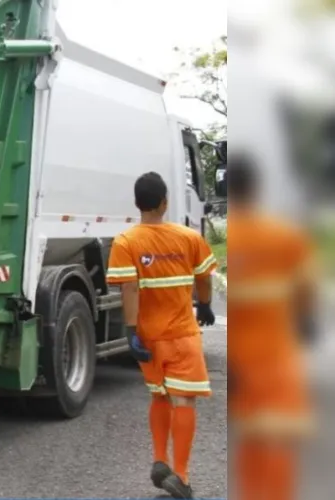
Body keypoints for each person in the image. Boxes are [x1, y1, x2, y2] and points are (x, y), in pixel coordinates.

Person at [106, 172, 217, 500]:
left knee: (159, 396)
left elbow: (128, 287)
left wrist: (130, 331)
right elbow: (205, 277)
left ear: (137, 203)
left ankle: (159, 460)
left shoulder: (126, 241)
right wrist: (206, 306)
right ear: (165, 202)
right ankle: (180, 476)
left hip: (149, 337)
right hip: (182, 334)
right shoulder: (188, 237)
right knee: (184, 399)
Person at [226, 155, 316, 500]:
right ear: (257, 187)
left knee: (249, 444)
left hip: (239, 361)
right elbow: (306, 291)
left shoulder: (231, 239)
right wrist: (304, 324)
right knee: (279, 442)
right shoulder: (285, 234)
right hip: (278, 356)